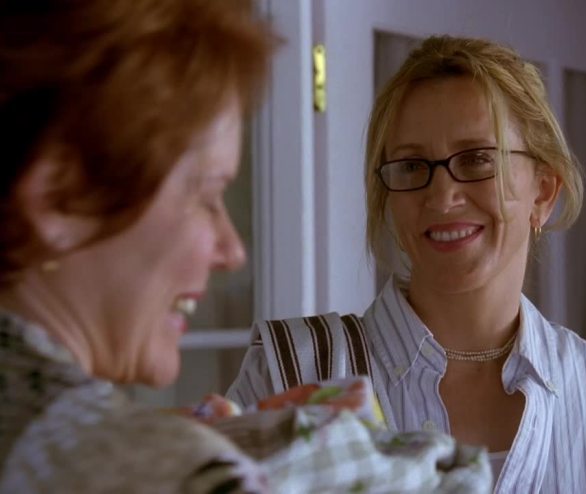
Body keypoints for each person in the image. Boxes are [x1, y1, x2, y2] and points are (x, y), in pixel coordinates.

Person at [0, 3, 491, 492]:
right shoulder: (150, 466)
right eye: (205, 196)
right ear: (60, 196)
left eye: (475, 161)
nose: (232, 251)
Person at [228, 35, 586, 492]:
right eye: (412, 166)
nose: (443, 197)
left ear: (543, 193)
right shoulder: (290, 374)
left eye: (477, 159)